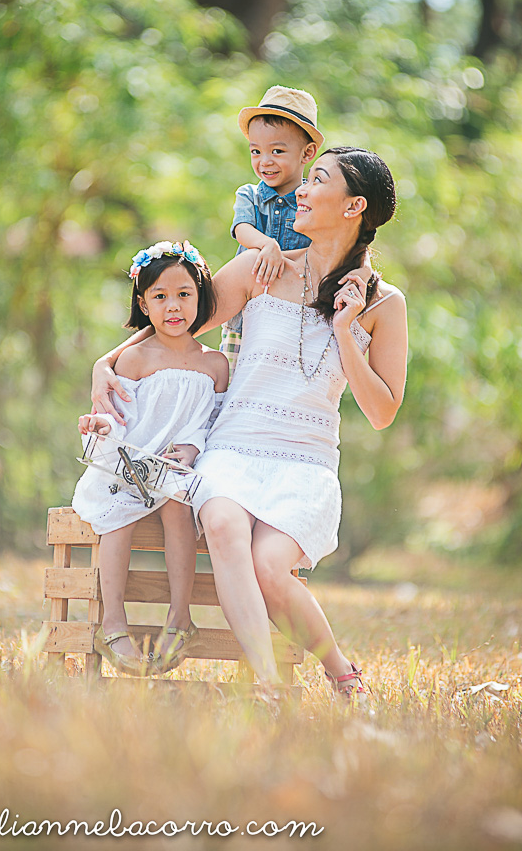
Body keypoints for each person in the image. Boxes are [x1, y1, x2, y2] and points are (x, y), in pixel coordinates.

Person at [91, 148, 408, 698]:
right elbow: (176, 326)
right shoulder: (262, 268)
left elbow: (382, 412)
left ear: (355, 206)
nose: (300, 191)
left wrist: (345, 329)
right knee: (221, 522)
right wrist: (105, 362)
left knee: (270, 568)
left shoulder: (383, 304)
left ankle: (342, 673)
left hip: (305, 461)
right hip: (232, 448)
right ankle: (268, 684)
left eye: (317, 181)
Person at [73, 240, 228, 676]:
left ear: (202, 297)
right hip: (130, 465)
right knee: (119, 512)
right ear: (143, 303)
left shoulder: (215, 364)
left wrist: (194, 449)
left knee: (179, 505)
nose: (173, 307)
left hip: (177, 469)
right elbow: (119, 418)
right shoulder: (134, 359)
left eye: (184, 294)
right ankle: (113, 623)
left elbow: (214, 422)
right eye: (159, 297)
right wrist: (102, 427)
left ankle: (181, 618)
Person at [220, 85, 322, 376]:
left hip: (295, 315)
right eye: (256, 151)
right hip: (245, 315)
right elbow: (241, 228)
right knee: (231, 380)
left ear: (308, 152)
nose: (265, 161)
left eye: (277, 151)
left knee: (278, 382)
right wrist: (267, 245)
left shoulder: (312, 201)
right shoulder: (250, 194)